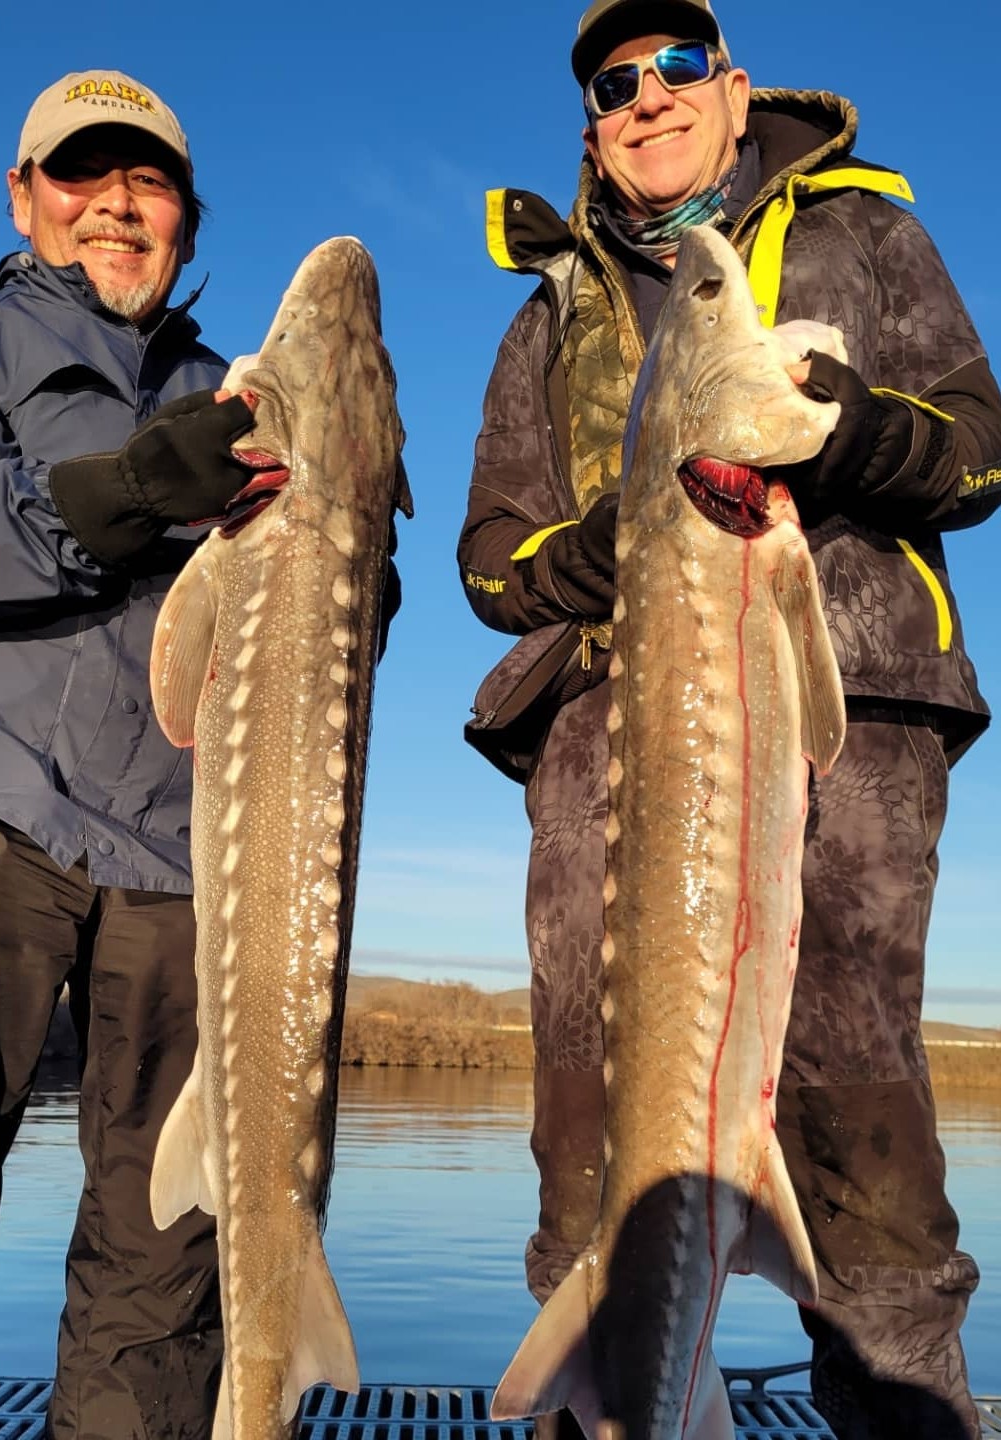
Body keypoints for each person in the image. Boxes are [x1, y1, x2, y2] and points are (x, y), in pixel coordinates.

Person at [458, 2, 1001, 1436]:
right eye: (615, 83)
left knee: (854, 1090)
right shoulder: (550, 306)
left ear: (735, 81)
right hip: (602, 736)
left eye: (676, 66)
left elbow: (980, 445)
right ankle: (621, 1390)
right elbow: (487, 558)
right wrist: (583, 554)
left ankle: (898, 1403)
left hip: (852, 706)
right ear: (593, 122)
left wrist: (861, 433)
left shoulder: (866, 235)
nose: (648, 98)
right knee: (591, 1090)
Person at [0, 70, 263, 1440]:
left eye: (149, 182)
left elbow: (328, 623)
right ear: (24, 197)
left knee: (164, 1256)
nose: (116, 204)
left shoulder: (246, 396)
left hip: (185, 861)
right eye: (82, 174)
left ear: (186, 218)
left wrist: (343, 546)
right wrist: (132, 492)